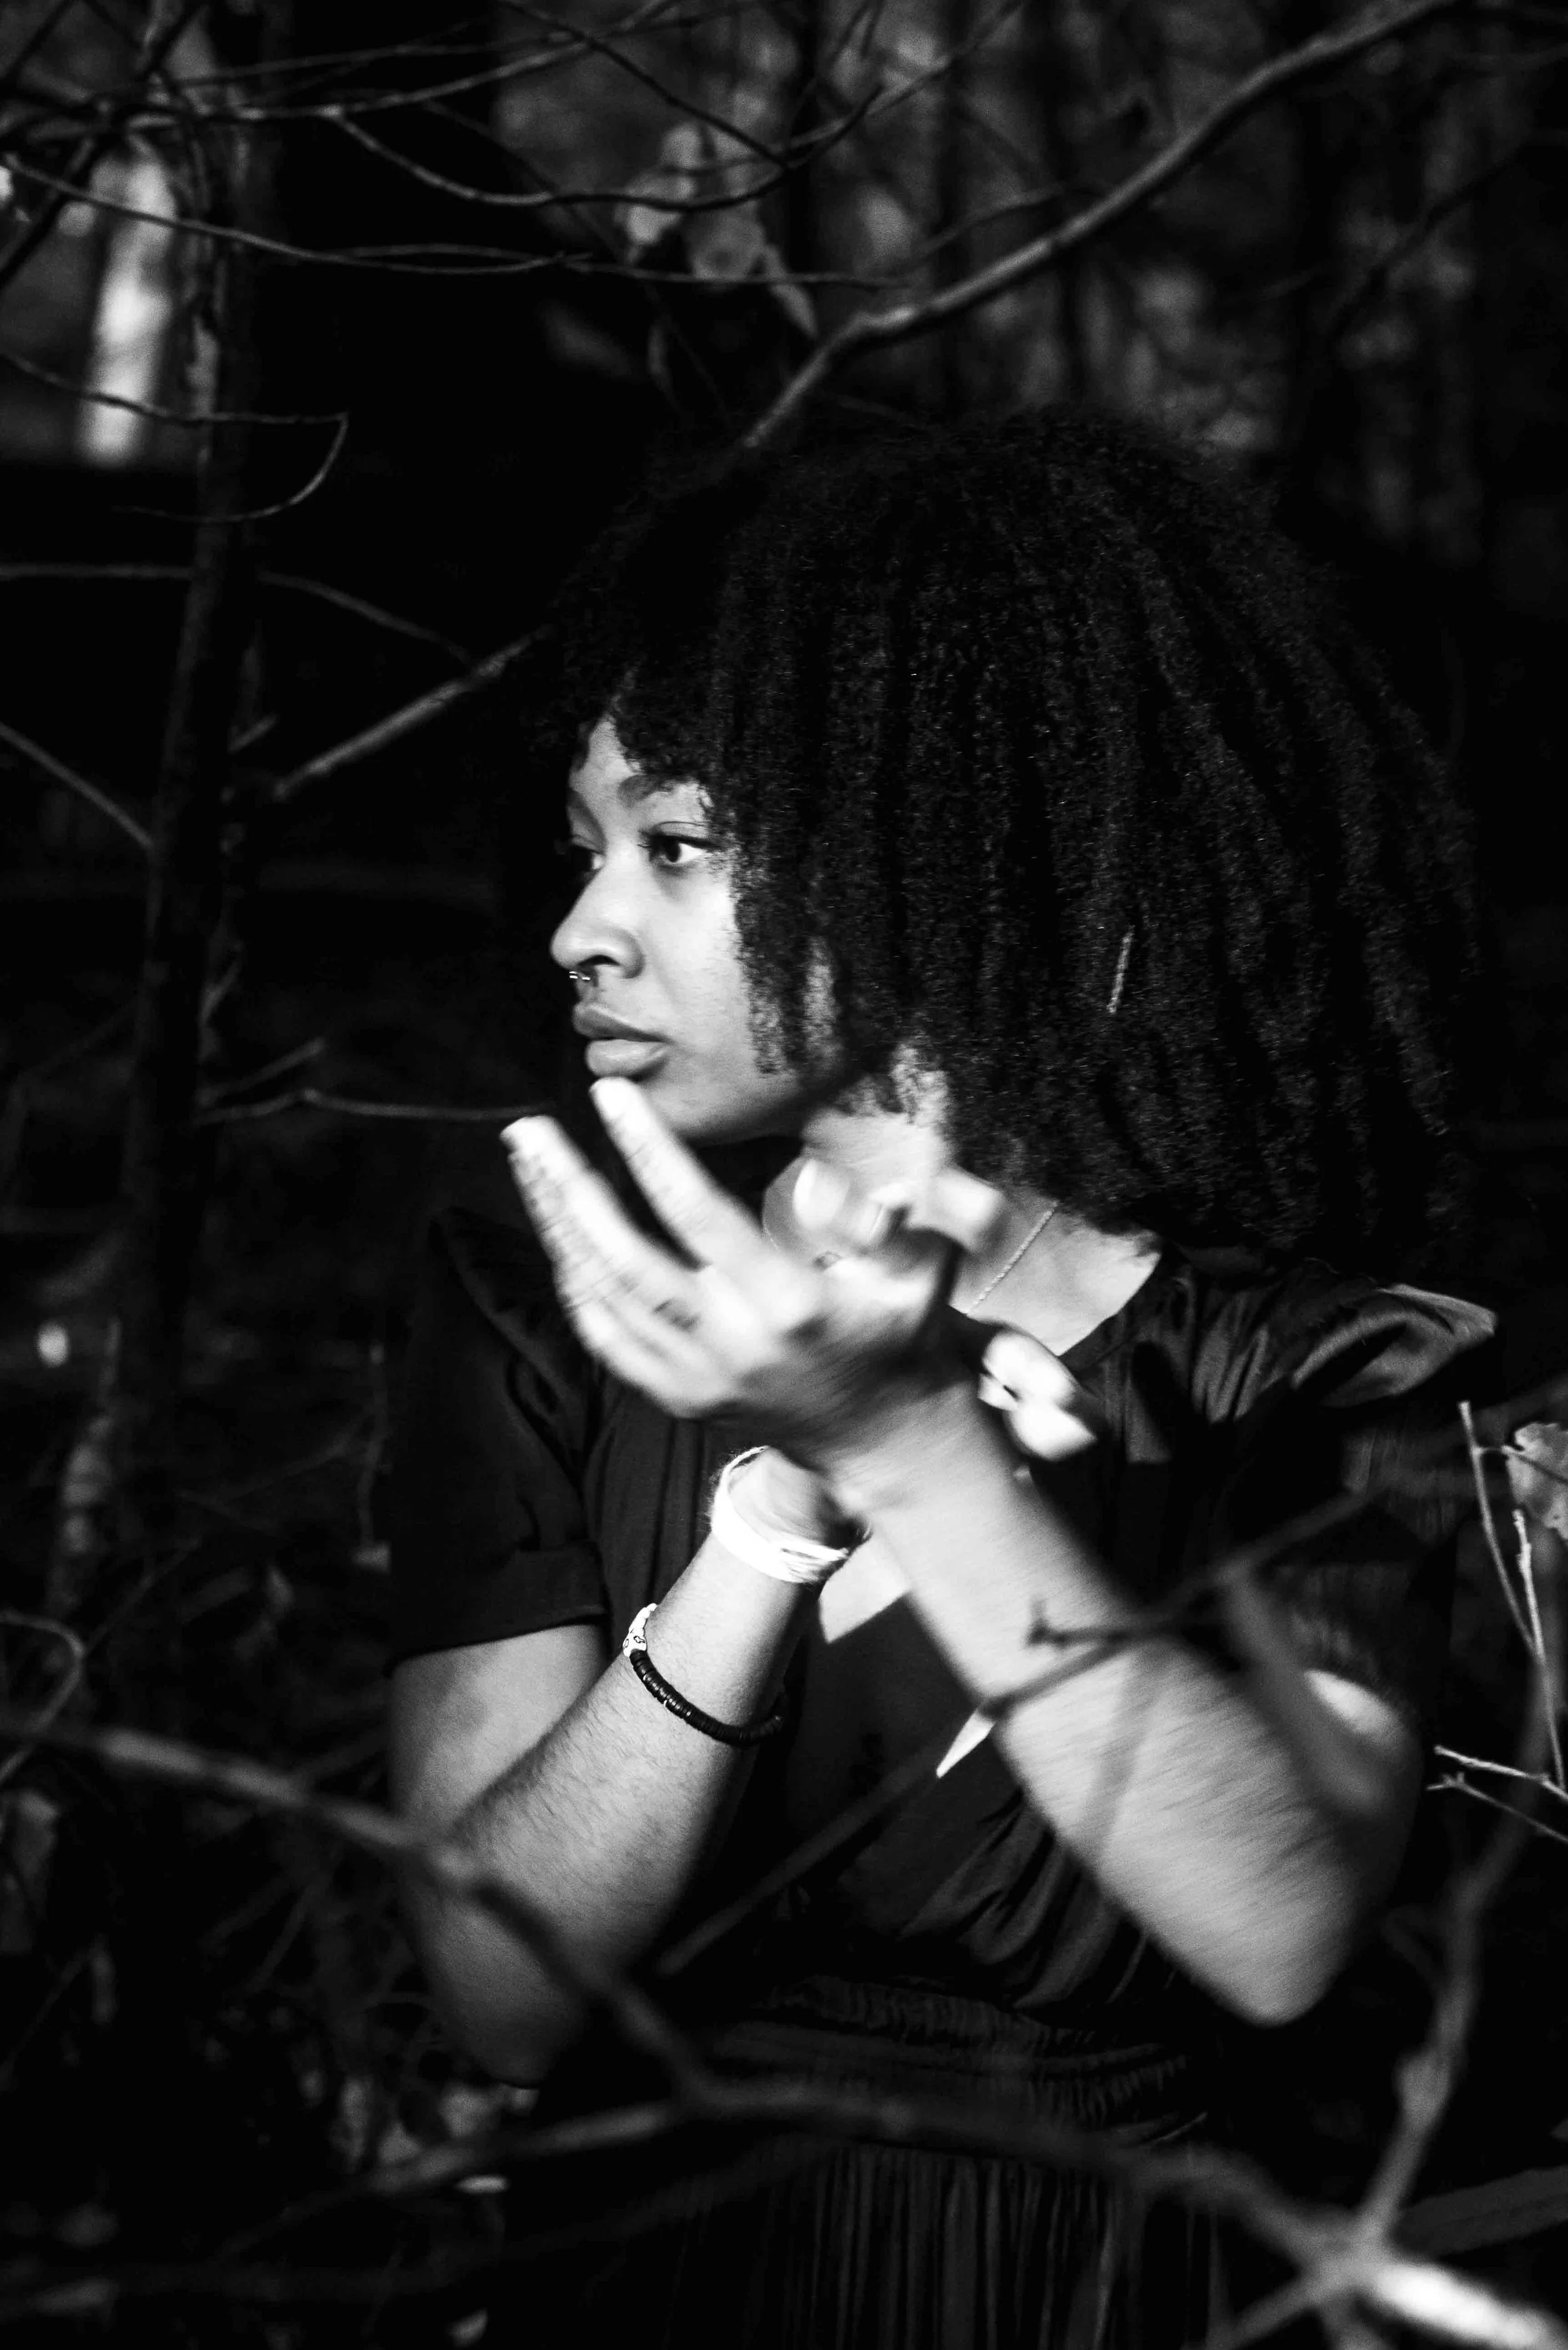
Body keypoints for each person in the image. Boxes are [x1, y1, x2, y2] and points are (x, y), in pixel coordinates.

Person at [387, 410, 1495, 2347]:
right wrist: (771, 1522)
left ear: (927, 857)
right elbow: (495, 1987)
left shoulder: (1307, 1369)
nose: (582, 929)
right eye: (583, 852)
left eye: (674, 847)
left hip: (1094, 2292)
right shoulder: (537, 1295)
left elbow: (1276, 1928)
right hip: (647, 2281)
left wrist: (913, 1448)